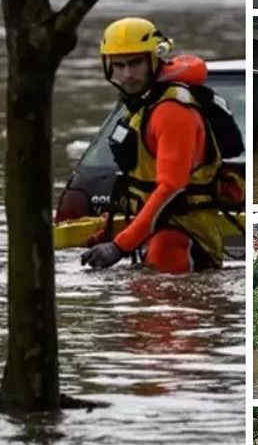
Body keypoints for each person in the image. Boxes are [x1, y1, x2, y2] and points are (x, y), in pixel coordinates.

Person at [81, 18, 244, 274]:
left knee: (161, 306)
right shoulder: (141, 104)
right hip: (158, 232)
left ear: (154, 60)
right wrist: (115, 233)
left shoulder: (172, 111)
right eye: (119, 65)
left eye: (135, 63)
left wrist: (119, 246)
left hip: (181, 240)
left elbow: (171, 187)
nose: (127, 74)